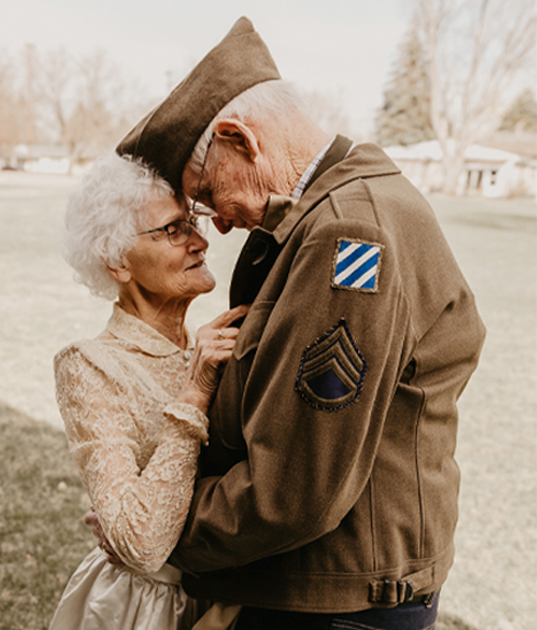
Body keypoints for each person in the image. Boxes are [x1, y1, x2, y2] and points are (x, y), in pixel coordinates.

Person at [113, 17, 487, 629]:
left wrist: (164, 528)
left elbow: (293, 490)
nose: (221, 225)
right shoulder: (340, 208)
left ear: (241, 139)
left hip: (334, 602)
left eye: (206, 195)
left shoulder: (349, 234)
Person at [47, 153, 247, 630]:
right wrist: (195, 394)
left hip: (234, 604)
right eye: (174, 230)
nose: (201, 241)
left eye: (192, 223)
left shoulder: (213, 346)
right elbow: (140, 543)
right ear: (117, 261)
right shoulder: (90, 364)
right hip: (146, 611)